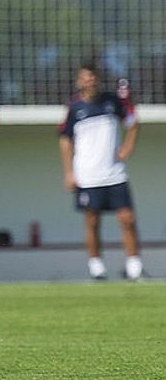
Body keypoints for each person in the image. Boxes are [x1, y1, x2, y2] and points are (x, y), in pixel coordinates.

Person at [59, 62, 144, 281]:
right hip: (87, 176)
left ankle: (134, 267)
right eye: (86, 77)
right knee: (92, 221)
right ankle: (96, 267)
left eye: (93, 76)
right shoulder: (75, 109)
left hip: (114, 174)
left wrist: (127, 147)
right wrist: (69, 172)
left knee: (127, 219)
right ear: (79, 81)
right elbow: (65, 140)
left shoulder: (112, 102)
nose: (90, 80)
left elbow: (133, 123)